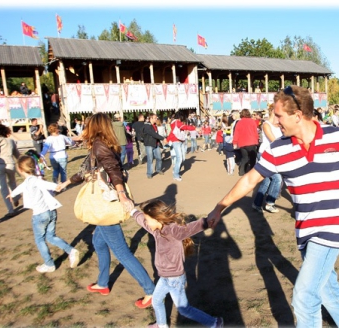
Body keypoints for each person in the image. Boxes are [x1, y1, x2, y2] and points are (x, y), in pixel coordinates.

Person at [206, 86, 339, 328]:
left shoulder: (338, 137)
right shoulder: (278, 148)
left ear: (298, 115)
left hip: (331, 228)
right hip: (305, 230)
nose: (274, 121)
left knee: (304, 297)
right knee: (329, 291)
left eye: (279, 116)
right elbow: (250, 180)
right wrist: (220, 207)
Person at [60, 113, 155, 305]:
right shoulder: (102, 144)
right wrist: (65, 184)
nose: (84, 128)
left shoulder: (99, 145)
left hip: (105, 205)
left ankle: (150, 291)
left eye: (87, 125)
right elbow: (86, 171)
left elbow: (113, 169)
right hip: (104, 204)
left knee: (122, 252)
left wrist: (121, 194)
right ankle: (103, 283)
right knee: (99, 242)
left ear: (95, 126)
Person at [132, 200, 223, 328]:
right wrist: (132, 211)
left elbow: (190, 228)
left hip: (175, 279)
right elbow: (142, 220)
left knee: (184, 309)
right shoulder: (156, 230)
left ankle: (214, 323)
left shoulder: (173, 230)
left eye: (148, 219)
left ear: (157, 218)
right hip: (164, 277)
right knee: (156, 301)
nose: (147, 222)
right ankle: (161, 325)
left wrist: (206, 222)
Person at [9, 155, 79, 273]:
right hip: (51, 212)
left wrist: (56, 186)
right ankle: (71, 251)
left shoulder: (32, 181)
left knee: (39, 239)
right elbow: (27, 186)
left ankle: (49, 264)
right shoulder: (34, 180)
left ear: (20, 170)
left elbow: (40, 185)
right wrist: (12, 194)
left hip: (40, 215)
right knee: (50, 236)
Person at [251, 105, 283, 213]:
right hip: (264, 155)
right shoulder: (266, 124)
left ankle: (256, 203)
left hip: (274, 155)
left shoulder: (280, 125)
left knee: (267, 181)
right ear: (273, 111)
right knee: (277, 179)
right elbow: (274, 140)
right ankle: (270, 203)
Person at [167, 112, 195, 181]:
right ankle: (176, 175)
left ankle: (175, 170)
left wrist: (168, 139)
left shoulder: (174, 123)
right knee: (179, 158)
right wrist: (194, 128)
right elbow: (184, 127)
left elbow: (172, 132)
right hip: (176, 141)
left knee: (181, 158)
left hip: (179, 141)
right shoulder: (177, 122)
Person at [232, 109, 259, 176]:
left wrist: (235, 142)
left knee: (245, 158)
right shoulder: (252, 121)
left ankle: (241, 171)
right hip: (251, 142)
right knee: (253, 158)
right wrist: (257, 140)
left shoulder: (239, 122)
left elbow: (236, 134)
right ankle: (251, 172)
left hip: (242, 143)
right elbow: (255, 132)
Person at [142, 113, 165, 179]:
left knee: (159, 158)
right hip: (149, 144)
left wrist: (160, 141)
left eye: (156, 118)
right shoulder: (147, 126)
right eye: (155, 118)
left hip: (156, 144)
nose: (156, 119)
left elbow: (156, 134)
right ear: (151, 118)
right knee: (150, 159)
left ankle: (158, 169)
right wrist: (163, 138)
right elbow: (153, 134)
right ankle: (149, 173)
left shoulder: (155, 125)